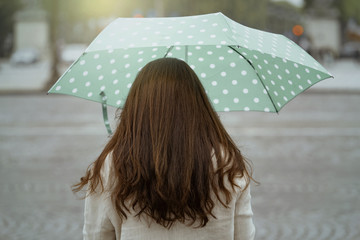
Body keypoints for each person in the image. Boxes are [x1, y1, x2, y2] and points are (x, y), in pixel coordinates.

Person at [72, 58, 256, 240]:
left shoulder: (113, 165)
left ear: (137, 106)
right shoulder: (227, 163)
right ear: (199, 105)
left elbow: (96, 235)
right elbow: (244, 235)